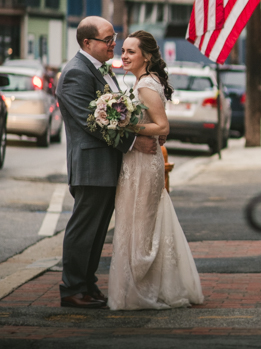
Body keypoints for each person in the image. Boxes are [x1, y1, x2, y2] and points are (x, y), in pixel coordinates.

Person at [57, 17, 159, 309]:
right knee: (84, 227)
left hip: (106, 164)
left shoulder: (98, 69)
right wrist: (133, 142)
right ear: (88, 43)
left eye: (114, 37)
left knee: (98, 229)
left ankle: (87, 284)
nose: (114, 43)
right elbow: (91, 123)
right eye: (108, 39)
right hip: (91, 164)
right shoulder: (76, 73)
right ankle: (72, 288)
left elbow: (117, 115)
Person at [107, 30, 203, 310]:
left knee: (141, 223)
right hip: (139, 161)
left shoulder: (145, 85)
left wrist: (125, 126)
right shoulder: (146, 82)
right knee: (140, 222)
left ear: (146, 56)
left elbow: (162, 127)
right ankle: (146, 285)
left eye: (131, 52)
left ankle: (143, 289)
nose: (124, 55)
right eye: (123, 50)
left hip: (143, 163)